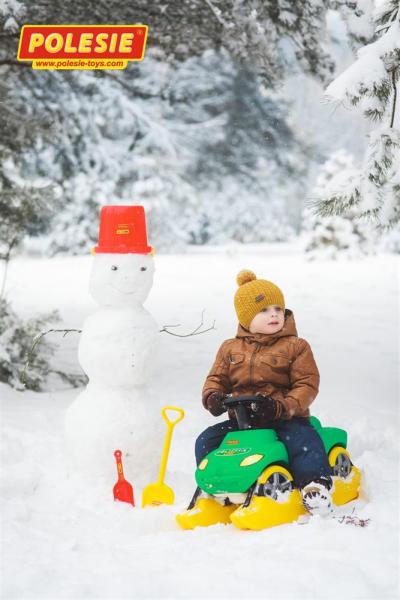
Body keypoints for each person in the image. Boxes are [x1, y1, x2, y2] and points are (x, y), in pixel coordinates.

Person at [196, 269, 333, 516]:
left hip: (284, 417)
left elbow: (307, 383)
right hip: (242, 422)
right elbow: (216, 378)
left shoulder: (295, 346)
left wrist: (283, 406)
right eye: (264, 310)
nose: (274, 315)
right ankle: (214, 487)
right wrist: (213, 397)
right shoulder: (229, 348)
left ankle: (314, 484)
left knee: (302, 441)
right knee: (207, 441)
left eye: (278, 309)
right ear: (246, 318)